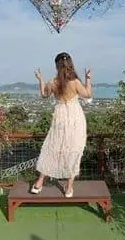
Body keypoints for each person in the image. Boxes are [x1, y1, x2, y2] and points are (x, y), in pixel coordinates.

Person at [31, 52, 92, 198]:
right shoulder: (75, 82)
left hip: (60, 117)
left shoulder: (53, 82)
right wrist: (88, 78)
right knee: (74, 150)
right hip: (76, 118)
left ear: (56, 66)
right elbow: (88, 94)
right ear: (70, 64)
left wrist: (40, 79)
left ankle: (39, 183)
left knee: (52, 148)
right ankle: (69, 187)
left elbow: (44, 95)